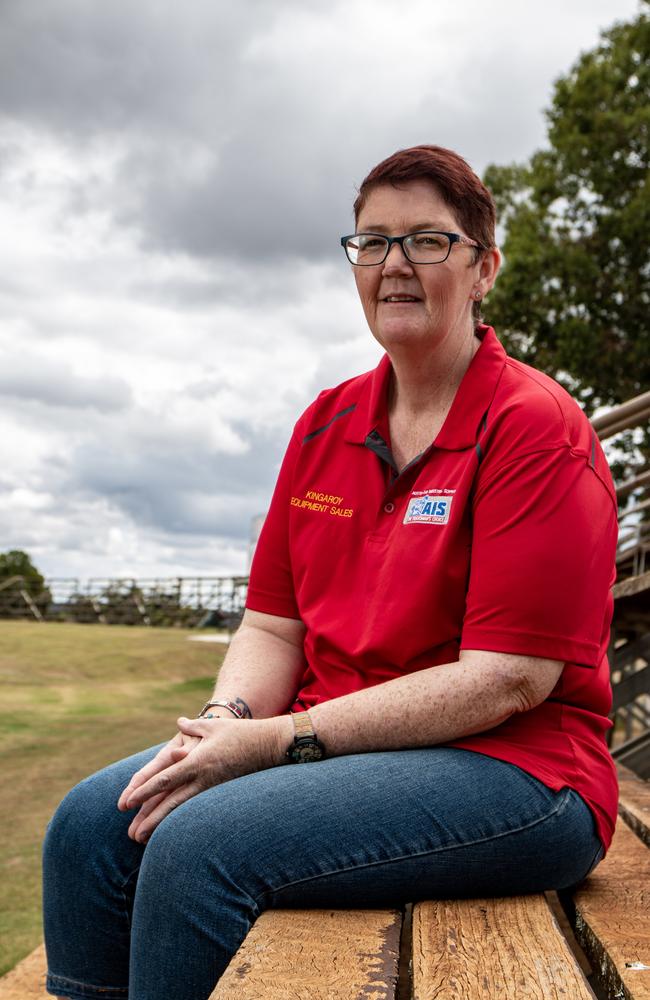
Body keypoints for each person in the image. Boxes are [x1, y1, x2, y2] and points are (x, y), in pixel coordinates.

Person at [43, 145, 618, 1000]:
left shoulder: (536, 427)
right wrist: (219, 726)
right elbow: (275, 626)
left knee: (201, 847)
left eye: (428, 241)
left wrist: (272, 743)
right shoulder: (327, 422)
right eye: (372, 241)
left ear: (484, 268)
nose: (395, 265)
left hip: (520, 770)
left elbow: (508, 682)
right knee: (90, 827)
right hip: (332, 747)